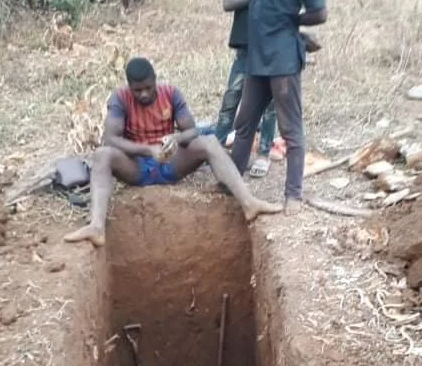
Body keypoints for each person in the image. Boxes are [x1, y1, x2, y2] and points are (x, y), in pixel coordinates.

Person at [64, 58, 281, 247]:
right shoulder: (119, 99)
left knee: (209, 142)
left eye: (148, 87)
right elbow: (110, 139)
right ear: (129, 86)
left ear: (155, 79)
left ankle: (249, 203)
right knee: (102, 154)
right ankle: (96, 226)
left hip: (171, 164)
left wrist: (176, 139)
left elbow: (192, 130)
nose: (144, 93)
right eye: (137, 90)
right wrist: (147, 150)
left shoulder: (171, 93)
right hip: (136, 167)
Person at [229, 0, 328, 215]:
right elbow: (252, 6)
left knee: (290, 129)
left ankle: (293, 196)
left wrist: (292, 23)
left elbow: (320, 12)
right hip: (257, 58)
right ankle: (232, 185)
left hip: (284, 58)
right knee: (244, 124)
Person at [215, 0, 277, 179]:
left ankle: (263, 154)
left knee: (270, 105)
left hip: (271, 49)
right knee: (231, 100)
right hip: (244, 50)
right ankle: (216, 150)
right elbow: (228, 2)